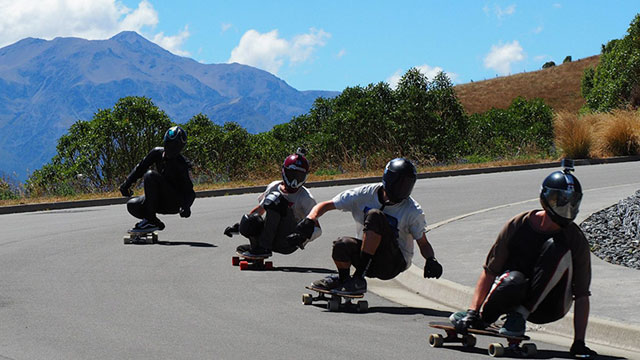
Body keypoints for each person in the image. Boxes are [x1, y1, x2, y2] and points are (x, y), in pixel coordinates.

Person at [450, 160, 597, 359]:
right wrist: (472, 311)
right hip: (514, 291)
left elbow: (581, 295)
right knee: (512, 280)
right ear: (546, 199)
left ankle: (520, 315)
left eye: (572, 202)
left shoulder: (575, 239)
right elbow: (490, 270)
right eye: (560, 201)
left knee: (558, 249)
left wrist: (579, 342)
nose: (566, 207)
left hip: (551, 305)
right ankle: (483, 319)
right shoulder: (518, 225)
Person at [300, 157, 442, 295]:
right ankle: (344, 280)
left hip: (392, 263)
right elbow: (326, 205)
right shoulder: (365, 194)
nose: (402, 189)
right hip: (367, 258)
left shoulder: (412, 210)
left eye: (407, 185)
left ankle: (358, 279)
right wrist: (310, 220)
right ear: (389, 179)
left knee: (375, 215)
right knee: (341, 244)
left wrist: (431, 259)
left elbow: (423, 242)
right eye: (399, 183)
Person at [224, 149, 321, 257]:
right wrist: (239, 226)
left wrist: (301, 237)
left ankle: (264, 248)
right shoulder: (274, 186)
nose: (294, 181)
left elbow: (317, 228)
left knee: (276, 200)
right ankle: (258, 247)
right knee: (250, 219)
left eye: (298, 177)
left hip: (288, 241)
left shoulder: (306, 197)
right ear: (284, 172)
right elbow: (260, 210)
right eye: (291, 175)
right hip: (272, 236)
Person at [119, 126, 195, 233]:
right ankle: (155, 222)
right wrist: (126, 185)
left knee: (150, 176)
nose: (171, 149)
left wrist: (186, 206)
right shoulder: (156, 153)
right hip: (159, 201)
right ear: (165, 142)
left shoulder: (182, 164)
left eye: (176, 147)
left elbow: (190, 192)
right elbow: (140, 168)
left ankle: (150, 219)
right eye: (170, 145)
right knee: (132, 205)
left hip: (175, 203)